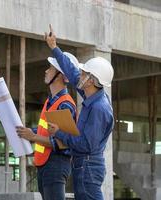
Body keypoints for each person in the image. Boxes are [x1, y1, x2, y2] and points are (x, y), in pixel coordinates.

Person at [45, 25, 114, 200]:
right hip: (85, 165)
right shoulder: (92, 94)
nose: (79, 76)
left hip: (88, 166)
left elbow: (85, 145)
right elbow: (71, 71)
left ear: (91, 80)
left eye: (83, 74)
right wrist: (54, 47)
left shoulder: (99, 108)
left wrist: (58, 132)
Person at [16, 53, 78, 200]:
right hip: (45, 163)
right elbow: (46, 131)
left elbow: (62, 143)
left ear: (61, 76)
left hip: (55, 164)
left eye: (50, 68)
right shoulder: (51, 101)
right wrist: (31, 132)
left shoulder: (65, 104)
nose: (46, 71)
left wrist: (33, 137)